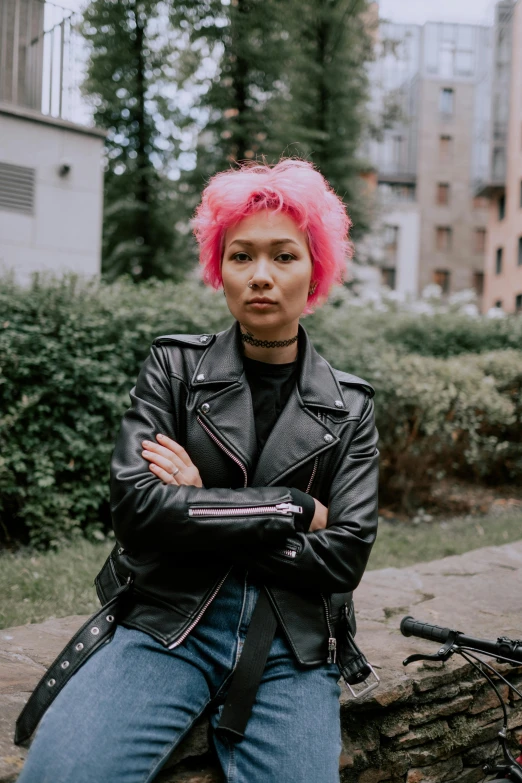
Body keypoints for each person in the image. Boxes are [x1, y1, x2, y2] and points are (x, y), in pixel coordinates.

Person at [15, 158, 379, 783]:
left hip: (290, 646)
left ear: (316, 267)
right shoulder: (173, 370)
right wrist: (290, 506)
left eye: (284, 256)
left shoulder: (352, 407)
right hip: (168, 621)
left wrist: (203, 502)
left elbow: (344, 556)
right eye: (242, 256)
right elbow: (137, 514)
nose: (261, 276)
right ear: (221, 269)